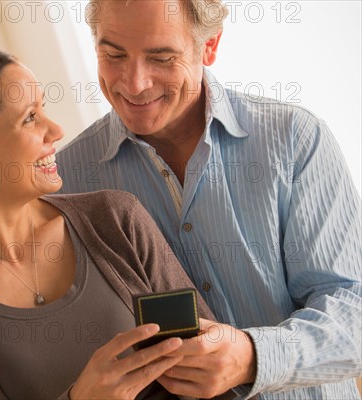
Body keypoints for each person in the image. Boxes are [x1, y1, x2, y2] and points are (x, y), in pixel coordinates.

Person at [0, 46, 243, 400]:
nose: (55, 132)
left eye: (43, 110)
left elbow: (216, 375)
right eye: (30, 118)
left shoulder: (116, 220)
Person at [55, 0, 362, 399]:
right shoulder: (66, 181)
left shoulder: (294, 141)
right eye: (113, 54)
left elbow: (352, 310)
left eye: (161, 57)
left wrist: (252, 356)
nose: (134, 82)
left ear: (210, 45)